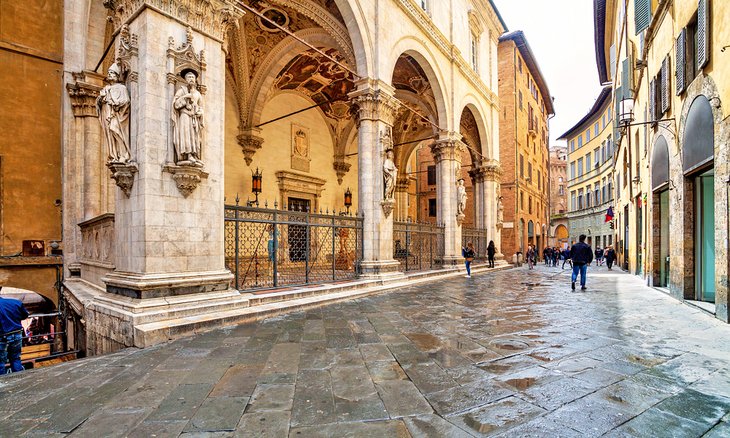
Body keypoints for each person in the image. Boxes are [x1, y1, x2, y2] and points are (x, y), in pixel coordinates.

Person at [97, 62, 131, 163]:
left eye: (112, 73)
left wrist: (117, 104)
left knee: (115, 130)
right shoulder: (106, 89)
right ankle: (114, 156)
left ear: (117, 76)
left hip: (116, 115)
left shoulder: (122, 88)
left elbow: (126, 101)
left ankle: (124, 154)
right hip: (106, 114)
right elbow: (98, 102)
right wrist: (100, 100)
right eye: (109, 73)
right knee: (109, 135)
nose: (109, 74)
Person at [172, 69, 204, 165]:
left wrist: (200, 112)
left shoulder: (198, 94)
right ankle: (188, 155)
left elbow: (201, 107)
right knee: (186, 135)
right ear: (186, 79)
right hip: (185, 116)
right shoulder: (182, 90)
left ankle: (195, 155)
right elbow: (176, 104)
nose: (191, 79)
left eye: (193, 77)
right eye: (189, 77)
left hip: (194, 119)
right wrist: (185, 97)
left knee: (195, 138)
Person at [0, 295, 29, 374]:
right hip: (17, 334)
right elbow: (25, 315)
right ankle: (18, 380)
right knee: (16, 358)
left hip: (2, 336)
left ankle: (3, 384)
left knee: (1, 363)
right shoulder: (15, 303)